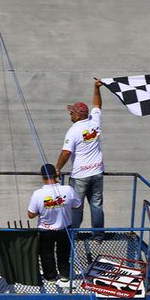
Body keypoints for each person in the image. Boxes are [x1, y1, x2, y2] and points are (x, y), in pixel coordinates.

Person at [56, 80, 104, 234]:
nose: (70, 114)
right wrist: (96, 88)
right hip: (97, 172)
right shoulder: (94, 121)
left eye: (72, 112)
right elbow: (97, 105)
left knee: (77, 205)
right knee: (96, 204)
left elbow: (66, 153)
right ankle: (98, 235)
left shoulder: (74, 131)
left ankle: (73, 233)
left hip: (80, 176)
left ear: (77, 115)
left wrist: (57, 168)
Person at [28, 163, 82, 287]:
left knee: (46, 254)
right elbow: (78, 205)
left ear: (42, 176)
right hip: (65, 228)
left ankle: (50, 276)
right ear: (56, 174)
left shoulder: (38, 194)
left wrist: (46, 208)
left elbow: (30, 214)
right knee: (64, 253)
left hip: (46, 231)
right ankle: (64, 275)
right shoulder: (68, 190)